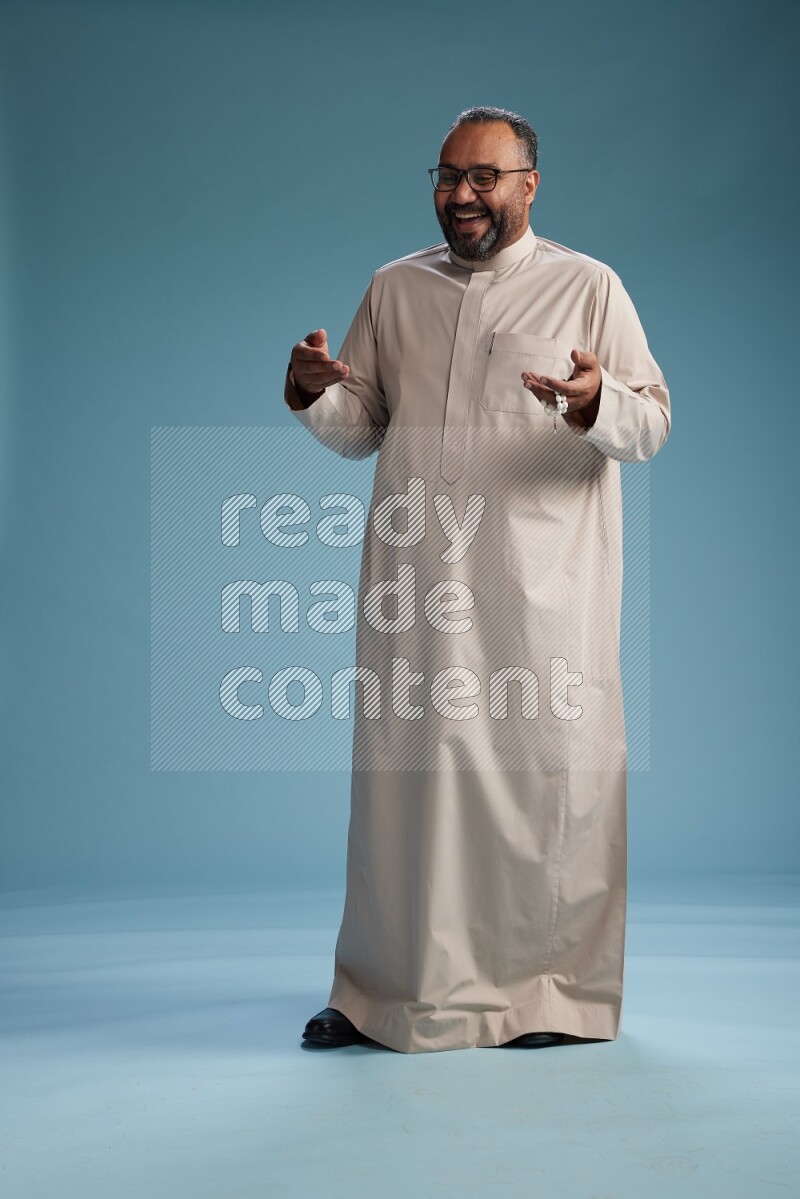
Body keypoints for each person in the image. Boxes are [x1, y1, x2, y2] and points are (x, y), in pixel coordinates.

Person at [284, 106, 670, 1053]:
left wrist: (597, 402)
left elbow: (652, 422)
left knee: (543, 784)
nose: (462, 194)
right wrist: (312, 392)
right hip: (417, 582)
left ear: (529, 185)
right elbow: (363, 422)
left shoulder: (588, 286)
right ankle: (380, 989)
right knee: (403, 786)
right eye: (448, 176)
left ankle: (552, 995)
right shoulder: (396, 286)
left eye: (484, 177)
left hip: (540, 590)